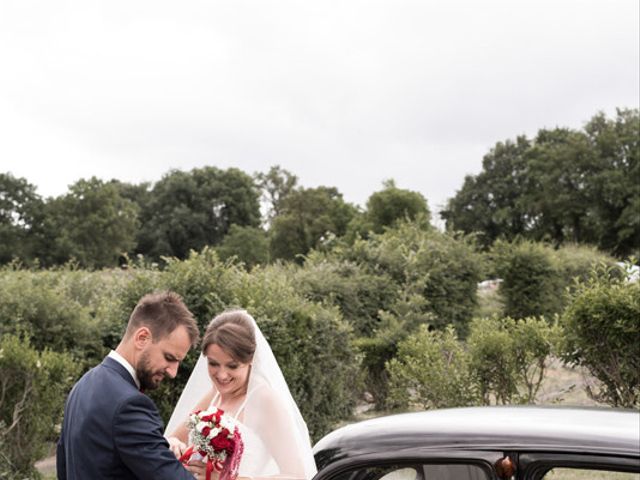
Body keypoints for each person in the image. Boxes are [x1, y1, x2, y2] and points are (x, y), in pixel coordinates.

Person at [56, 291, 206, 480]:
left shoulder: (83, 384)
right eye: (169, 358)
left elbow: (64, 467)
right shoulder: (129, 404)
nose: (173, 372)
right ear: (142, 337)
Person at [165, 309, 317, 480]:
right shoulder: (214, 395)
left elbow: (296, 476)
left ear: (251, 359)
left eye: (232, 366)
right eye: (214, 364)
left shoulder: (264, 400)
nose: (221, 375)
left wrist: (227, 478)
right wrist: (174, 445)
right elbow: (172, 440)